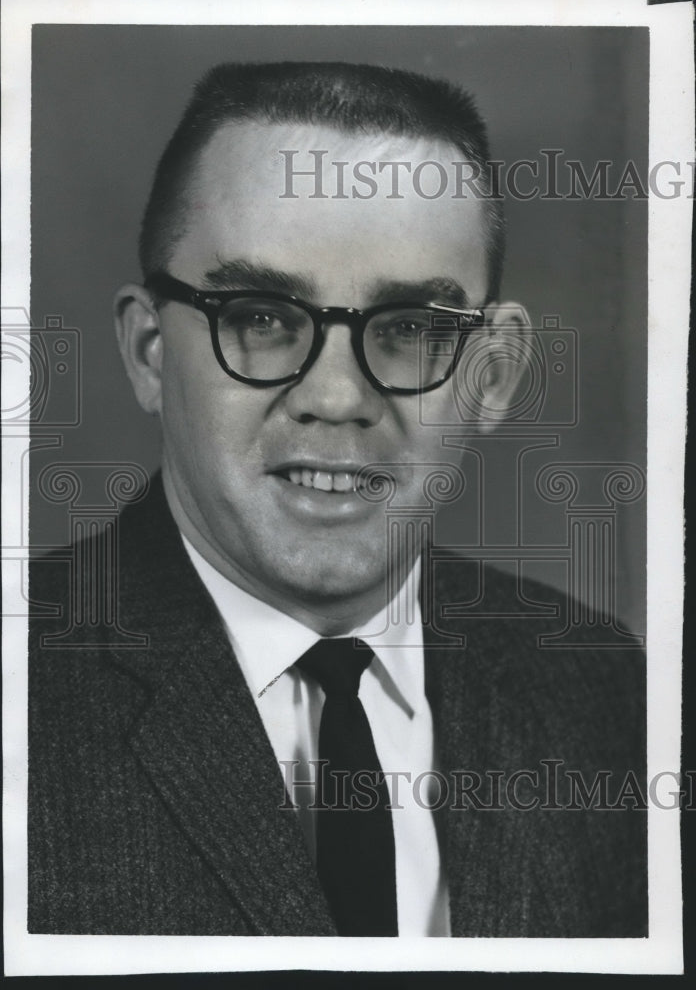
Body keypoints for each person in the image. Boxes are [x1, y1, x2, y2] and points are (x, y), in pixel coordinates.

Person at [28, 62, 646, 937]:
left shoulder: (606, 691)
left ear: (495, 373)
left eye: (410, 331)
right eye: (263, 317)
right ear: (149, 352)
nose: (338, 397)